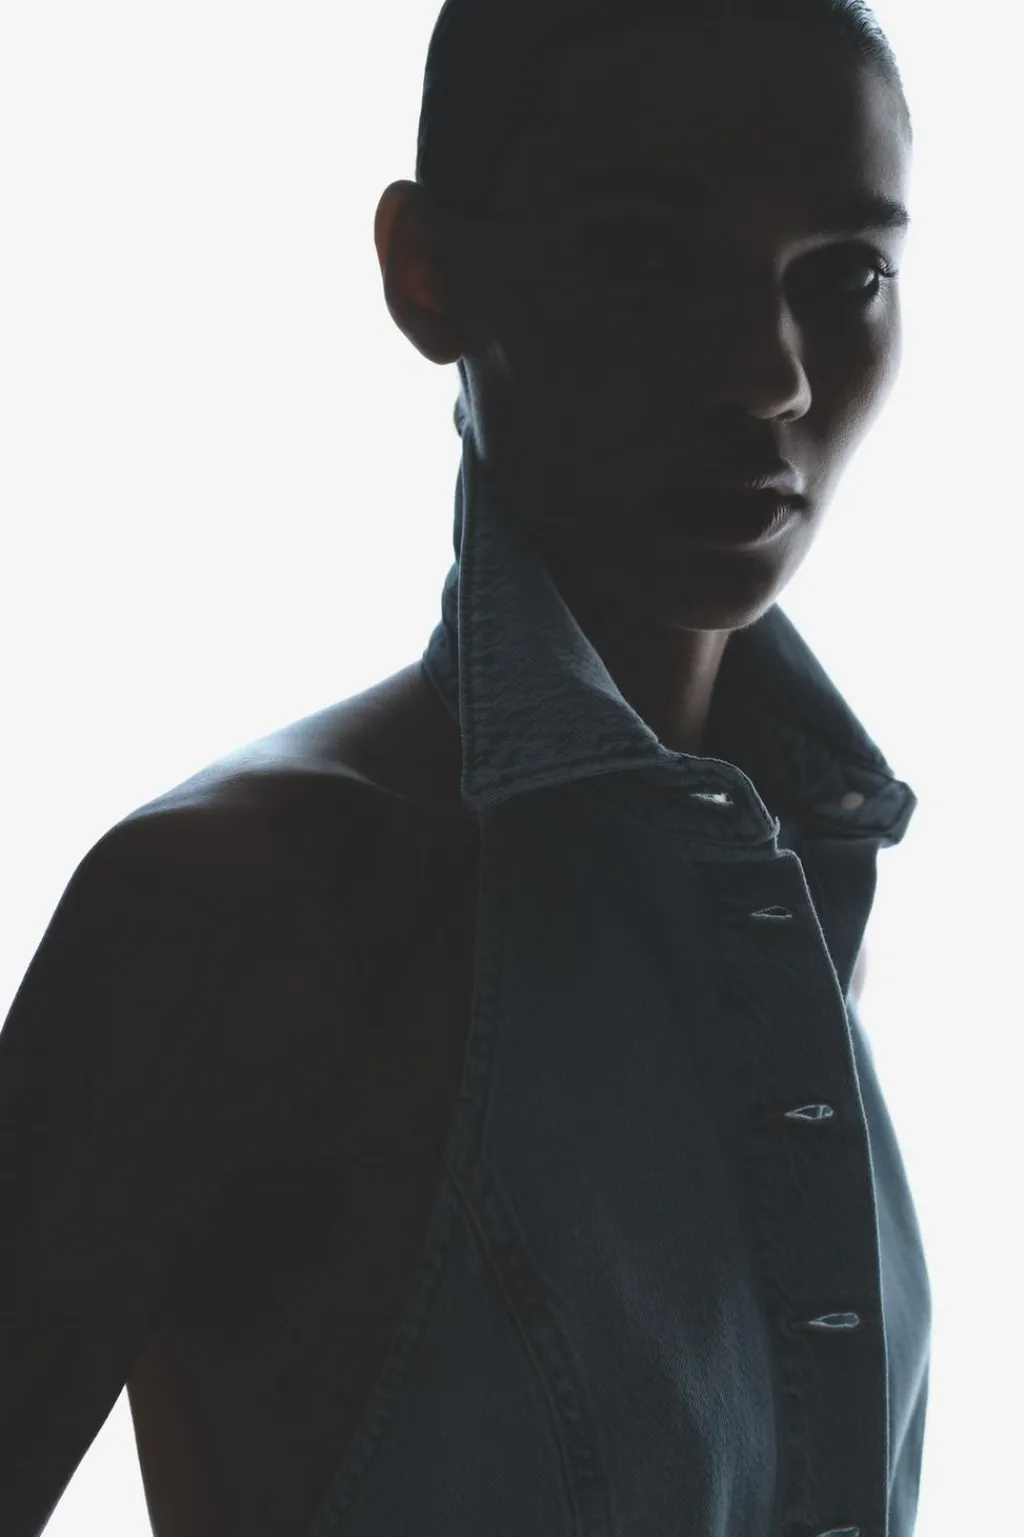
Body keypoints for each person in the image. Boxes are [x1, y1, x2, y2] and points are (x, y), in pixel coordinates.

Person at [0, 2, 930, 1535]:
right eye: (648, 257)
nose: (769, 376)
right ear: (425, 271)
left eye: (842, 278)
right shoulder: (235, 911)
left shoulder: (796, 901)